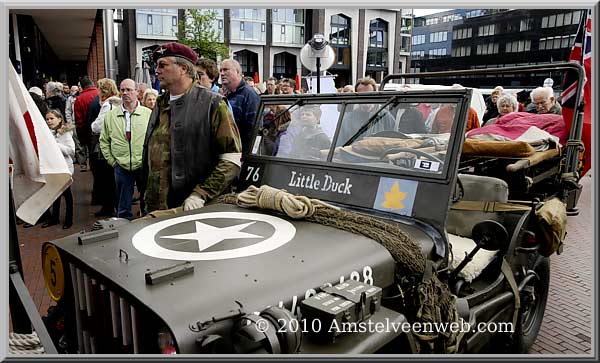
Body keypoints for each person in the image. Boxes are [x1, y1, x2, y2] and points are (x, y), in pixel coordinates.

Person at [141, 42, 242, 213]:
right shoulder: (160, 103)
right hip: (157, 208)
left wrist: (201, 194)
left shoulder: (213, 104)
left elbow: (232, 158)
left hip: (195, 210)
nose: (156, 71)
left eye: (162, 65)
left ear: (183, 69)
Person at [100, 79, 152, 220]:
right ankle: (124, 229)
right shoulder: (111, 116)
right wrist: (113, 161)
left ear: (137, 92)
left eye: (129, 90)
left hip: (142, 165)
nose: (125, 93)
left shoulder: (148, 114)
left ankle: (145, 225)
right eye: (122, 90)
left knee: (147, 201)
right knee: (123, 205)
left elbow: (154, 139)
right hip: (121, 166)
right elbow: (104, 140)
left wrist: (149, 159)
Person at [90, 78, 121, 217]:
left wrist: (92, 125)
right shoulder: (118, 103)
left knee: (105, 178)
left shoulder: (107, 104)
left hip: (106, 145)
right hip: (117, 143)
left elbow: (97, 126)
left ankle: (108, 207)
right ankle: (115, 205)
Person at [336, 77, 396, 145]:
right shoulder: (349, 118)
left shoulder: (385, 116)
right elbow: (339, 143)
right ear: (357, 96)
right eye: (361, 94)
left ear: (375, 95)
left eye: (369, 94)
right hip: (353, 154)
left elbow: (395, 141)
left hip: (378, 155)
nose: (365, 98)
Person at [42, 109, 75, 229]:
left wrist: (55, 145)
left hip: (64, 168)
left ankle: (69, 219)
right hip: (53, 167)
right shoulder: (48, 133)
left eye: (52, 118)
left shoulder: (65, 133)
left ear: (59, 119)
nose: (49, 121)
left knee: (67, 194)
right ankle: (54, 218)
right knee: (55, 193)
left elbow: (71, 151)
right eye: (47, 119)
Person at [220, 58, 260, 154]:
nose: (221, 73)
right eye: (220, 70)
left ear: (237, 72)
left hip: (240, 155)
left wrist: (245, 156)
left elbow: (254, 130)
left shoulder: (250, 95)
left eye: (225, 70)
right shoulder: (225, 95)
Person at [74, 76, 98, 172]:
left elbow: (79, 120)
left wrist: (81, 137)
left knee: (92, 153)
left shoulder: (79, 99)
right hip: (102, 130)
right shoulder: (99, 94)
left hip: (88, 131)